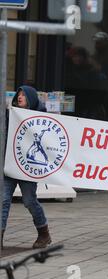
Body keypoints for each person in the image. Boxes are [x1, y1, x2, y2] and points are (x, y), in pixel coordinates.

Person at [1, 86, 52, 250]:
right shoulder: (10, 115)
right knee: (3, 201)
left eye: (24, 94)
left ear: (31, 98)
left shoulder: (42, 118)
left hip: (28, 168)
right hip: (10, 165)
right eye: (19, 94)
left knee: (29, 201)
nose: (20, 97)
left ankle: (43, 233)